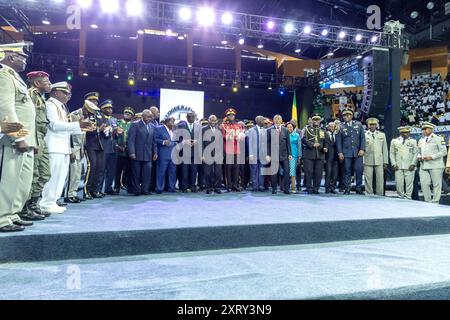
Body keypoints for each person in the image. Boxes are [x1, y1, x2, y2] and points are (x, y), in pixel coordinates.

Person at [0, 42, 38, 231]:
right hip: (13, 139)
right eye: (22, 57)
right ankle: (1, 218)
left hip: (26, 138)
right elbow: (6, 109)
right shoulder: (4, 76)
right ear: (10, 57)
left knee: (21, 181)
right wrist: (18, 137)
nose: (24, 61)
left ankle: (12, 213)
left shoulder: (16, 79)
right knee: (9, 179)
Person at [39, 82, 93, 214]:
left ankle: (53, 201)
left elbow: (66, 130)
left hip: (62, 147)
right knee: (52, 177)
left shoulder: (62, 107)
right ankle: (45, 203)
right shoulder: (50, 105)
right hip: (53, 146)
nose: (68, 95)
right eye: (65, 93)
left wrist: (82, 128)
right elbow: (54, 125)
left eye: (69, 93)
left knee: (60, 177)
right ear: (56, 92)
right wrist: (77, 125)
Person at [23, 71, 52, 217]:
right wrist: (31, 139)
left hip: (42, 136)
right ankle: (25, 207)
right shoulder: (31, 95)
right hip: (34, 135)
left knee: (45, 173)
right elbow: (28, 117)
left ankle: (34, 203)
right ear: (37, 83)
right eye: (46, 81)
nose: (49, 84)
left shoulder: (41, 97)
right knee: (33, 173)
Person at [65, 100, 100, 203]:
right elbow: (68, 133)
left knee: (78, 172)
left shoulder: (87, 117)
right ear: (85, 109)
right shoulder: (74, 115)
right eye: (89, 112)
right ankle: (68, 195)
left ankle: (73, 193)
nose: (90, 115)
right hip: (72, 146)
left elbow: (82, 135)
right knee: (72, 172)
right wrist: (69, 150)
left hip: (80, 147)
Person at [127, 109, 157, 196]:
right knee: (136, 173)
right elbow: (130, 140)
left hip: (148, 154)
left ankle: (145, 189)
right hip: (137, 153)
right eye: (147, 116)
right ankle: (136, 190)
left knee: (147, 173)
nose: (149, 118)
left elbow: (153, 141)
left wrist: (155, 152)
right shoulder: (135, 124)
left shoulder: (152, 126)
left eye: (150, 117)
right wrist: (132, 152)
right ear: (143, 116)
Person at [336, 109, 366, 195]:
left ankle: (359, 188)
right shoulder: (340, 126)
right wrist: (340, 152)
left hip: (357, 151)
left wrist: (362, 149)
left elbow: (362, 138)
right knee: (347, 170)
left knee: (359, 170)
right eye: (344, 115)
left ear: (352, 116)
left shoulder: (358, 124)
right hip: (346, 152)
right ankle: (347, 188)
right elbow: (338, 141)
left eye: (348, 115)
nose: (346, 116)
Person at [84, 96, 108, 200]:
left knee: (100, 168)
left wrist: (108, 130)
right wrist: (98, 129)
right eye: (92, 101)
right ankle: (86, 191)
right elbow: (84, 129)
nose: (94, 102)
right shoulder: (84, 113)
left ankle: (95, 190)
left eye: (96, 101)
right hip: (89, 144)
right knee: (92, 167)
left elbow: (105, 129)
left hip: (100, 145)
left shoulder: (100, 115)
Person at [417, 122, 447, 203]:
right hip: (423, 165)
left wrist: (431, 157)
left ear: (431, 129)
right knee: (424, 184)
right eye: (423, 129)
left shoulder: (438, 138)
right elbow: (419, 151)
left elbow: (444, 152)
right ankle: (428, 201)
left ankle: (435, 202)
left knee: (436, 185)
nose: (424, 131)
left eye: (425, 129)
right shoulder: (421, 140)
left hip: (435, 165)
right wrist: (419, 156)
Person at [301, 114, 328, 194]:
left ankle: (316, 189)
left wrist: (325, 147)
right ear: (311, 120)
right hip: (308, 155)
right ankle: (309, 188)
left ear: (320, 121)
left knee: (318, 172)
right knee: (308, 172)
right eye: (314, 120)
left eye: (317, 120)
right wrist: (312, 144)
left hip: (320, 154)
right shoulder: (306, 129)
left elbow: (326, 141)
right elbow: (303, 139)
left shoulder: (323, 130)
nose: (316, 121)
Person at [390, 126, 418, 200]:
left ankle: (408, 197)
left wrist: (413, 164)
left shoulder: (413, 141)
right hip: (398, 166)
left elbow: (416, 153)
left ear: (409, 133)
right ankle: (400, 197)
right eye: (403, 132)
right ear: (400, 133)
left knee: (409, 184)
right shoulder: (394, 141)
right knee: (399, 183)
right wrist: (393, 164)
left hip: (409, 166)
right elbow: (392, 153)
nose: (405, 134)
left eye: (407, 132)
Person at [176, 111, 202, 193]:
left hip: (195, 152)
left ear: (195, 117)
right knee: (184, 170)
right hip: (184, 152)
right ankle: (184, 187)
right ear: (186, 117)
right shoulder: (180, 126)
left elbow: (201, 138)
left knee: (194, 171)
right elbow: (177, 138)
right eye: (189, 117)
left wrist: (197, 141)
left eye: (193, 117)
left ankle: (192, 186)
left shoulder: (198, 126)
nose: (191, 118)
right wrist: (184, 141)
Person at [221, 108, 245, 192]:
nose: (231, 116)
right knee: (228, 168)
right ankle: (229, 185)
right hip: (228, 150)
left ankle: (235, 185)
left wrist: (241, 136)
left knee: (236, 168)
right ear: (227, 116)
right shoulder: (223, 125)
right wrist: (228, 136)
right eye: (229, 115)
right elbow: (222, 136)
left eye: (232, 115)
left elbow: (241, 135)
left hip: (236, 150)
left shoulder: (238, 125)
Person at [98, 100, 119, 195]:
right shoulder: (99, 118)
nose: (110, 110)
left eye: (110, 108)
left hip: (113, 148)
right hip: (103, 147)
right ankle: (98, 189)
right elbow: (102, 133)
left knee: (111, 170)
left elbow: (116, 134)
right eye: (107, 108)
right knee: (101, 169)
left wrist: (118, 132)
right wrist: (112, 131)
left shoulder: (114, 120)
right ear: (102, 109)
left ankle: (108, 188)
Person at [363, 118, 389, 196]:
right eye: (371, 125)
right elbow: (362, 148)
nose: (372, 126)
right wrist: (363, 160)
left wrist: (385, 161)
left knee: (380, 178)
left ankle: (380, 194)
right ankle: (369, 193)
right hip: (368, 159)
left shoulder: (382, 135)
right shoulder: (364, 135)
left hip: (379, 159)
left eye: (374, 124)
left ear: (376, 125)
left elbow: (384, 149)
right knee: (368, 178)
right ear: (368, 126)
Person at [268, 114, 292, 194]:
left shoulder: (286, 130)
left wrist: (290, 154)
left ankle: (286, 189)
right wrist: (268, 155)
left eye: (279, 119)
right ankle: (274, 189)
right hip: (274, 155)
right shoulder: (269, 130)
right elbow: (267, 144)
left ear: (281, 120)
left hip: (284, 154)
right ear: (273, 120)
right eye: (276, 119)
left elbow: (288, 143)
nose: (277, 120)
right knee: (274, 172)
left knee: (287, 171)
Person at [114, 107, 135, 193]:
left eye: (129, 113)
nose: (127, 114)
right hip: (118, 150)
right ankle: (116, 187)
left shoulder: (134, 125)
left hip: (129, 151)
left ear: (132, 116)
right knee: (118, 170)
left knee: (129, 170)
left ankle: (128, 186)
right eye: (126, 113)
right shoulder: (118, 123)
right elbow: (113, 137)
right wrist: (117, 146)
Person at [155, 117, 178, 193]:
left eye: (174, 122)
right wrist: (163, 142)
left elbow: (175, 141)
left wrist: (176, 144)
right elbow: (154, 139)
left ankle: (171, 188)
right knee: (161, 172)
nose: (173, 124)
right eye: (172, 122)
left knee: (172, 172)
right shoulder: (159, 128)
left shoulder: (174, 130)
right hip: (163, 154)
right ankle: (159, 188)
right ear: (167, 122)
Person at [202, 115, 223, 194]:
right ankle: (208, 187)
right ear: (208, 120)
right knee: (207, 172)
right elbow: (201, 143)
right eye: (211, 120)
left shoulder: (220, 129)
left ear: (217, 121)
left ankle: (217, 187)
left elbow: (221, 143)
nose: (213, 122)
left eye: (214, 120)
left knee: (218, 172)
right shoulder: (203, 129)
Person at [248, 116, 269, 192]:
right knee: (254, 170)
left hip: (262, 154)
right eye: (262, 120)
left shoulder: (265, 130)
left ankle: (261, 186)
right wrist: (250, 154)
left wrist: (267, 154)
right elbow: (250, 142)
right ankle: (255, 186)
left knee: (261, 170)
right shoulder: (251, 130)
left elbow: (266, 143)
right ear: (258, 121)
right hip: (254, 153)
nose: (263, 121)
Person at [286, 122, 302, 193]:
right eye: (288, 127)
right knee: (285, 171)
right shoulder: (284, 135)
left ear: (293, 128)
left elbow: (299, 146)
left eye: (291, 127)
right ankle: (285, 186)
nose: (289, 128)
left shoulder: (296, 135)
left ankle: (293, 187)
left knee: (292, 172)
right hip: (285, 155)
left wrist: (299, 156)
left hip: (294, 155)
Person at [324, 121, 339, 193]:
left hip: (336, 157)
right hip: (328, 157)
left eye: (333, 126)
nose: (331, 127)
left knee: (335, 174)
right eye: (330, 126)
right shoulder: (325, 134)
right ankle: (327, 188)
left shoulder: (337, 134)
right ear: (328, 127)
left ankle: (333, 187)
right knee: (328, 172)